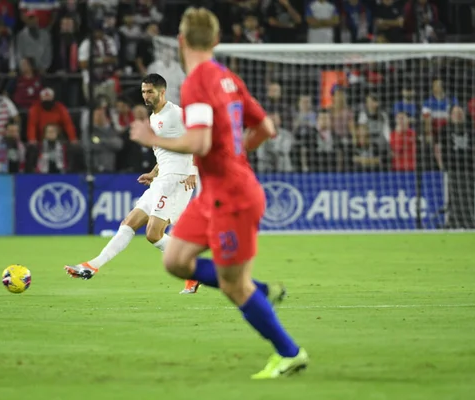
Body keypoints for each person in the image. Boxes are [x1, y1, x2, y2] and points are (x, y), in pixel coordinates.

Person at [129, 7, 308, 379]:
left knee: (232, 287)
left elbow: (200, 139)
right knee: (175, 259)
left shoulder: (197, 82)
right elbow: (267, 128)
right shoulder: (228, 77)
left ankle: (289, 352)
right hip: (216, 192)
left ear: (180, 42)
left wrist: (153, 139)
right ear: (216, 41)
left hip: (234, 196)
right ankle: (259, 289)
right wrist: (235, 157)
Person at [65, 74, 201, 294]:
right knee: (128, 222)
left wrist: (194, 171)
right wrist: (153, 172)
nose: (146, 96)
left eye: (150, 92)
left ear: (162, 92)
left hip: (178, 179)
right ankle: (92, 266)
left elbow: (200, 139)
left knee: (153, 234)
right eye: (143, 92)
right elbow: (165, 152)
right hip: (162, 178)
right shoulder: (154, 117)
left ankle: (193, 269)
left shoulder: (176, 114)